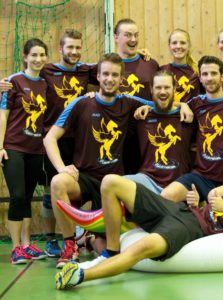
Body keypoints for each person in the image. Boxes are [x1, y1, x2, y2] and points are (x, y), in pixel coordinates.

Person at [54, 152, 223, 289]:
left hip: (190, 227)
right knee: (111, 182)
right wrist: (199, 201)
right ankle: (109, 252)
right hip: (179, 209)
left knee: (141, 248)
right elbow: (212, 198)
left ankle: (80, 275)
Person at [43, 53, 168, 269]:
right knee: (57, 182)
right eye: (106, 74)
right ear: (98, 76)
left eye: (115, 75)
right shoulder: (81, 103)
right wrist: (62, 168)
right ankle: (70, 245)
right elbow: (49, 138)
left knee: (109, 247)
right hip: (84, 177)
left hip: (112, 183)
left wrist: (183, 107)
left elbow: (163, 104)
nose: (110, 79)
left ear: (122, 79)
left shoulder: (129, 102)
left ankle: (91, 240)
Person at [77, 69, 194, 270]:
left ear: (175, 90)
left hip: (177, 184)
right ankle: (108, 249)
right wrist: (90, 98)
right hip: (146, 181)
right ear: (151, 90)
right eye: (158, 88)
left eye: (167, 87)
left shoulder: (188, 117)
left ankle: (90, 239)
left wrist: (183, 104)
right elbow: (110, 109)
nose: (163, 91)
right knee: (110, 181)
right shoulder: (140, 117)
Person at [40, 29, 99, 257]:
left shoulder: (85, 71)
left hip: (79, 140)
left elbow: (110, 69)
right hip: (52, 138)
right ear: (60, 49)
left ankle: (78, 235)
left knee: (76, 187)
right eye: (69, 47)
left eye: (77, 48)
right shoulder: (46, 70)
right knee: (50, 189)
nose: (74, 52)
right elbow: (25, 76)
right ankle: (50, 239)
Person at [160, 56, 223, 203]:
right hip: (200, 177)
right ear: (200, 78)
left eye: (213, 73)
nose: (209, 78)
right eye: (205, 74)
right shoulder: (196, 103)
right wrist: (182, 105)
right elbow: (166, 104)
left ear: (222, 76)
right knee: (166, 196)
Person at [0, 38, 48, 264]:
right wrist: (0, 146)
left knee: (28, 197)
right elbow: (3, 115)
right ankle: (16, 247)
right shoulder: (13, 82)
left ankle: (28, 244)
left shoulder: (45, 84)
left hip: (36, 149)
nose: (38, 59)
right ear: (26, 57)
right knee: (17, 196)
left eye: (42, 55)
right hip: (14, 148)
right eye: (34, 55)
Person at [114, 18, 160, 174]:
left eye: (136, 35)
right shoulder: (108, 63)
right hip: (117, 132)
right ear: (116, 38)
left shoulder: (150, 64)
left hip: (145, 132)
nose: (133, 39)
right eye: (127, 35)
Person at [160, 28, 204, 103]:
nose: (178, 46)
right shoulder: (162, 70)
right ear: (169, 46)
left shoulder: (198, 71)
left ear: (189, 45)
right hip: (168, 114)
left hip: (192, 114)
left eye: (183, 43)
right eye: (174, 43)